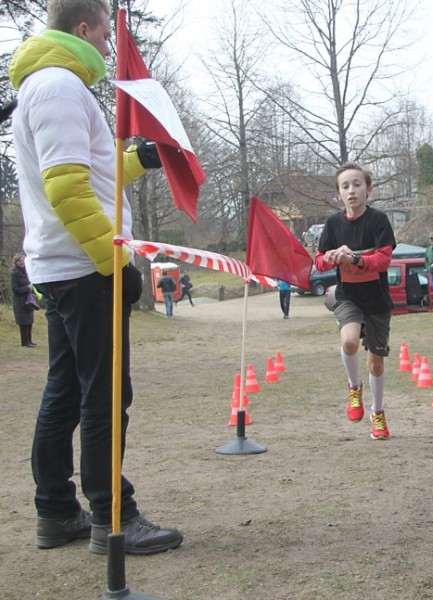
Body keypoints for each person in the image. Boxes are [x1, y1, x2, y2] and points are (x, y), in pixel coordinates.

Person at [10, 0, 182, 553]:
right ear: (82, 29)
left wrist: (140, 160)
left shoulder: (50, 83)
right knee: (106, 394)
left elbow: (91, 176)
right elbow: (66, 189)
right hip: (84, 269)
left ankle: (57, 511)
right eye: (106, 33)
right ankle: (115, 517)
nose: (110, 45)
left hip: (63, 266)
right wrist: (115, 264)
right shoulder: (58, 84)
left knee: (65, 391)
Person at [315, 163, 396, 440]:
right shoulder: (333, 224)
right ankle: (353, 387)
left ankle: (378, 412)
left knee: (376, 364)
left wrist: (355, 259)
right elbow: (319, 261)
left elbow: (384, 260)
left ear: (368, 189)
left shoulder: (378, 220)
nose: (352, 191)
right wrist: (332, 256)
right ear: (339, 194)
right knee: (348, 341)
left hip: (377, 301)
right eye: (345, 186)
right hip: (348, 296)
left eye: (357, 185)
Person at [10, 253, 37, 347]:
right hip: (19, 301)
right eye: (20, 261)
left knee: (29, 321)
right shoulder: (14, 274)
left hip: (29, 300)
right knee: (23, 322)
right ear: (16, 262)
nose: (22, 262)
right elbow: (15, 290)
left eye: (23, 261)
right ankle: (24, 342)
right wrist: (27, 288)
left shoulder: (27, 272)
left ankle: (29, 340)